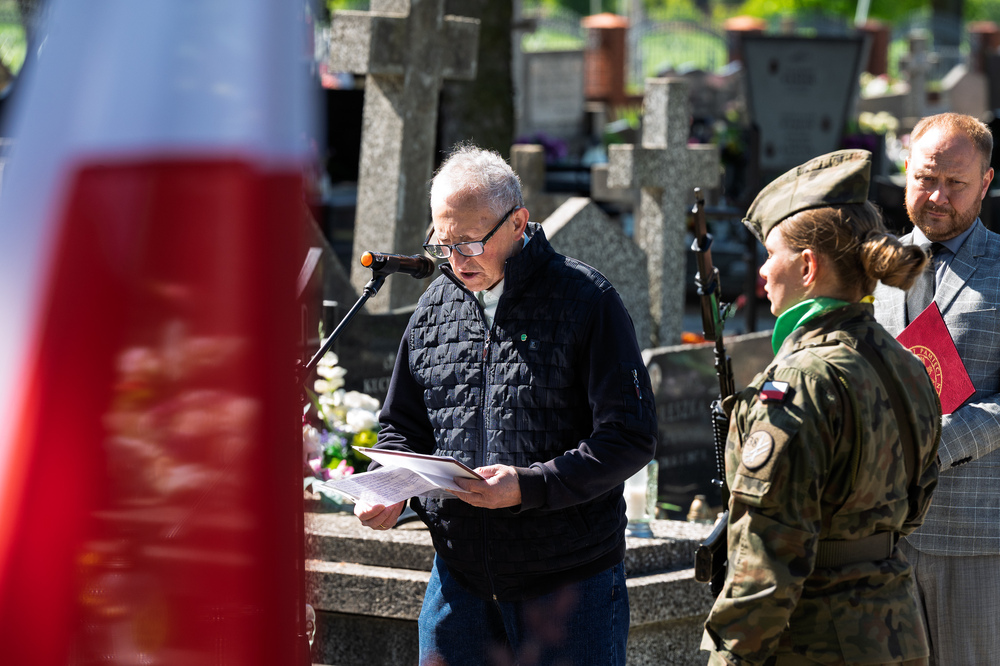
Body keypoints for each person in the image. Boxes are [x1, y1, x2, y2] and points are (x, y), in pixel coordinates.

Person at [353, 143, 657, 665]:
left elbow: (630, 436)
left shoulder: (587, 300)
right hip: (458, 586)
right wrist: (391, 489)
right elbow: (401, 426)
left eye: (470, 243)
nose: (454, 262)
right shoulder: (433, 308)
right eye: (442, 242)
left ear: (518, 223)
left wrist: (528, 486)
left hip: (568, 588)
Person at [701, 149, 941, 665]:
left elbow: (768, 554)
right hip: (895, 628)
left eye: (772, 253)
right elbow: (915, 504)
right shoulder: (905, 365)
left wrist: (726, 657)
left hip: (815, 638)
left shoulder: (799, 380)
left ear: (807, 265)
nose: (763, 271)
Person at [872, 112, 1000, 665]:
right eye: (926, 179)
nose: (939, 197)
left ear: (987, 183)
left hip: (972, 538)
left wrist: (934, 443)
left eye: (957, 183)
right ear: (906, 169)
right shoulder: (871, 269)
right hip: (878, 534)